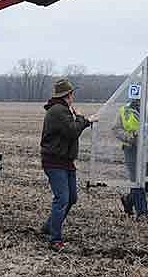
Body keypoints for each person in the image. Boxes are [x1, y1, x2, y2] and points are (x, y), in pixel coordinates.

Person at [40, 79, 96, 251]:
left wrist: (84, 120)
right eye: (72, 94)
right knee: (62, 199)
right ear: (67, 95)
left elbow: (70, 130)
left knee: (72, 198)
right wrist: (83, 119)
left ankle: (49, 226)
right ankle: (55, 239)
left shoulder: (63, 110)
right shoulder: (58, 111)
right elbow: (72, 131)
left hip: (65, 161)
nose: (73, 97)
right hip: (55, 162)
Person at [113, 98, 148, 219]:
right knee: (137, 181)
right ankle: (142, 213)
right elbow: (116, 129)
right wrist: (130, 138)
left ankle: (128, 200)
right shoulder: (124, 110)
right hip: (131, 149)